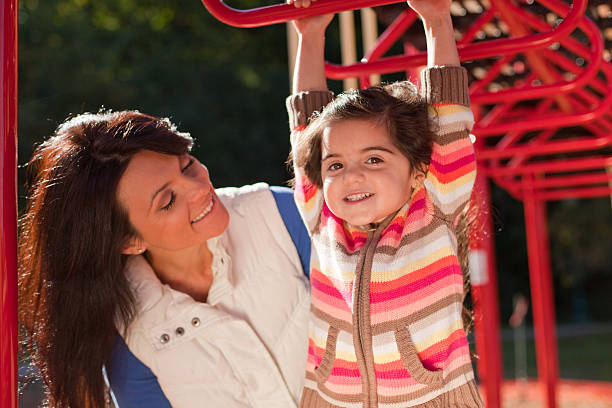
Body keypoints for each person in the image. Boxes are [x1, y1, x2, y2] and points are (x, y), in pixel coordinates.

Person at [18, 110, 313, 408]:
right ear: (128, 241)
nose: (200, 188)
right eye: (168, 200)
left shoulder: (281, 216)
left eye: (187, 166)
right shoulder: (129, 341)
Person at [287, 0, 484, 406]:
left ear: (417, 170)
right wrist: (309, 34)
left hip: (431, 395)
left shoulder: (434, 208)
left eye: (374, 159)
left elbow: (448, 121)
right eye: (336, 164)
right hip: (334, 397)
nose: (351, 175)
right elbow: (306, 127)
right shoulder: (321, 216)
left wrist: (436, 18)